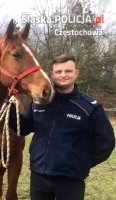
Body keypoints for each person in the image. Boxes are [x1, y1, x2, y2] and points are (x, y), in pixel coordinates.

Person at [10, 54, 115, 200]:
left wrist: (82, 163)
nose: (63, 75)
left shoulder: (90, 107)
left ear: (76, 73)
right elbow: (24, 128)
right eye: (58, 72)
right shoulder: (40, 102)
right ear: (52, 75)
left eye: (68, 71)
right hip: (39, 175)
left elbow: (106, 142)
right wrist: (9, 111)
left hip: (70, 179)